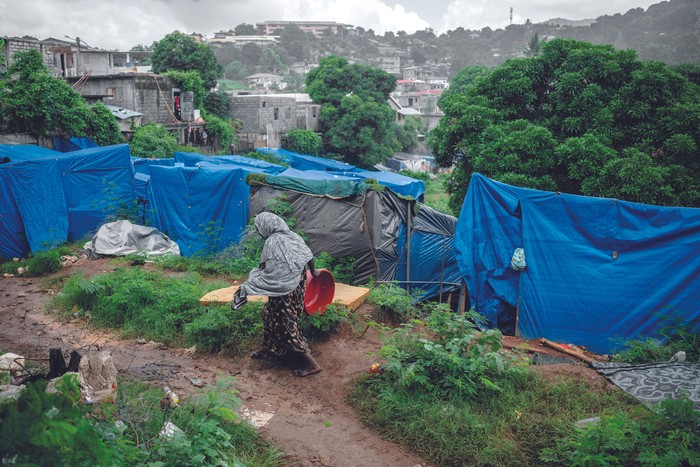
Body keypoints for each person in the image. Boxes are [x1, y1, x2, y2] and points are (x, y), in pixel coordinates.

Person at [233, 212, 323, 377]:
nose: (260, 232)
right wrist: (313, 271)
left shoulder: (272, 242)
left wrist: (252, 284)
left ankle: (312, 364)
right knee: (268, 313)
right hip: (298, 283)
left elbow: (269, 271)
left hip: (283, 288)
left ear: (267, 226)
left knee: (285, 323)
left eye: (259, 228)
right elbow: (308, 254)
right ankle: (270, 349)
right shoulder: (293, 236)